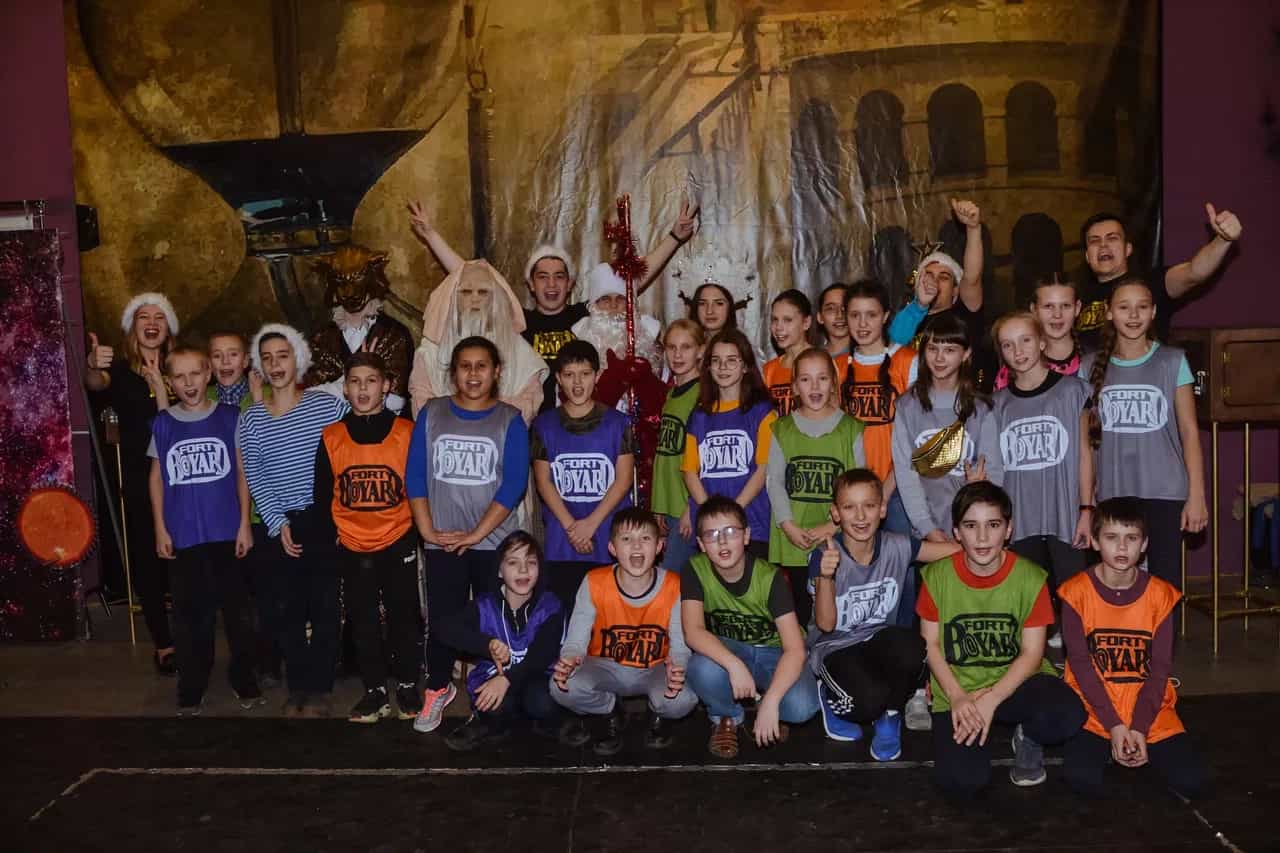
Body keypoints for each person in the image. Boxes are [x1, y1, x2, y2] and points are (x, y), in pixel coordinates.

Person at [408, 197, 699, 413]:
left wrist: (674, 237)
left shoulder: (585, 316)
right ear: (530, 284)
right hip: (534, 425)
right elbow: (472, 278)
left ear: (570, 284)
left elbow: (630, 281)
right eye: (543, 277)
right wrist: (431, 235)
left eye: (559, 277)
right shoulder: (519, 321)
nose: (551, 284)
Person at [917, 482, 1086, 796]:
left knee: (1066, 714)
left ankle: (1028, 736)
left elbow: (1032, 653)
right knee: (963, 782)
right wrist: (957, 696)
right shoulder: (937, 576)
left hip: (1013, 685)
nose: (982, 537)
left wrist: (991, 698)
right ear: (956, 532)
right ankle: (975, 724)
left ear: (1008, 530)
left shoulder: (1030, 577)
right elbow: (931, 645)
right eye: (971, 526)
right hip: (959, 689)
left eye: (993, 525)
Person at [407, 337, 530, 734]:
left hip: (492, 542)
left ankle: (495, 691)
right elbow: (416, 474)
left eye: (481, 366)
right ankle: (437, 688)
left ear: (496, 372)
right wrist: (426, 529)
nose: (473, 374)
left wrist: (476, 534)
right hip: (443, 540)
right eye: (465, 366)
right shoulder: (432, 413)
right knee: (443, 621)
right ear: (453, 372)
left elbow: (513, 484)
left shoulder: (510, 419)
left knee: (496, 622)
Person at [1059, 498, 1207, 799]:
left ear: (1145, 544)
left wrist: (1139, 727)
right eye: (1112, 537)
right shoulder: (1075, 593)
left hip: (1148, 709)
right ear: (1095, 542)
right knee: (1080, 779)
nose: (1122, 547)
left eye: (1131, 538)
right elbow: (1081, 667)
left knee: (1193, 781)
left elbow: (1160, 670)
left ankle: (1135, 743)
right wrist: (1114, 725)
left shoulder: (1161, 595)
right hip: (1094, 709)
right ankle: (1114, 744)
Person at [239, 324, 350, 717]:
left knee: (324, 608)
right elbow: (255, 474)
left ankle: (319, 688)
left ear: (298, 359)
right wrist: (276, 522)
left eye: (282, 356)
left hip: (323, 522)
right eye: (267, 358)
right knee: (286, 611)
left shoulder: (326, 406)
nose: (275, 365)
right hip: (279, 526)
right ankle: (298, 685)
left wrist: (342, 515)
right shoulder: (251, 419)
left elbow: (353, 446)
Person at [809, 469, 959, 755]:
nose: (860, 516)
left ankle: (890, 715)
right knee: (867, 704)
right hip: (835, 647)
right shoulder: (825, 554)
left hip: (876, 639)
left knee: (913, 648)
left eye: (868, 505)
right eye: (849, 507)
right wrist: (825, 577)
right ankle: (830, 696)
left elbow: (950, 551)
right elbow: (826, 624)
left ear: (882, 509)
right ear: (836, 514)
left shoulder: (897, 545)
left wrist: (981, 539)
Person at [147, 345, 258, 715]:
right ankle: (192, 686)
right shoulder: (163, 424)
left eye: (195, 373)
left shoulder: (230, 417)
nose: (188, 382)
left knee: (239, 615)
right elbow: (156, 479)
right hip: (184, 536)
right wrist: (160, 528)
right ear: (170, 382)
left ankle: (244, 679)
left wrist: (244, 524)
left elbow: (242, 472)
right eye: (179, 376)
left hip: (226, 532)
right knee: (191, 618)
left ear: (208, 373)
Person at [313, 352, 423, 724]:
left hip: (398, 536)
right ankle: (374, 690)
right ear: (345, 388)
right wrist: (331, 540)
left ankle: (407, 684)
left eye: (371, 381)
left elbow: (419, 489)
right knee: (362, 619)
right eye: (355, 381)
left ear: (386, 385)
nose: (363, 389)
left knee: (403, 614)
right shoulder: (332, 436)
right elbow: (323, 495)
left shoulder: (407, 432)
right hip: (352, 542)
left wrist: (416, 535)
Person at [1080, 276, 1208, 590]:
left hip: (1165, 492)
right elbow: (1086, 443)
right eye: (1124, 307)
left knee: (1164, 588)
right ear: (1109, 312)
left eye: (1142, 307)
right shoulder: (1088, 367)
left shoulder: (1173, 361)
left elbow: (1190, 432)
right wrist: (1086, 500)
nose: (1134, 315)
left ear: (1153, 312)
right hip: (1113, 492)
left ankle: (1165, 628)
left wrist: (1196, 496)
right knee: (1116, 585)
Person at [552, 508, 697, 755]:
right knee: (561, 685)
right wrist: (569, 659)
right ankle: (608, 710)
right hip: (604, 666)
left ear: (660, 546)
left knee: (683, 700)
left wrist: (677, 667)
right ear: (612, 548)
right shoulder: (594, 581)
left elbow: (679, 645)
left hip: (654, 668)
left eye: (645, 538)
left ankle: (657, 713)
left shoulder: (674, 585)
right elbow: (576, 640)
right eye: (627, 538)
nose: (636, 546)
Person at [684, 496, 820, 759]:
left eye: (731, 532)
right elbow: (693, 631)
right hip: (732, 649)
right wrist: (734, 665)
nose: (722, 542)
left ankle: (768, 704)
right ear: (700, 544)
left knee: (801, 706)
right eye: (712, 535)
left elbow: (794, 649)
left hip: (775, 652)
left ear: (746, 536)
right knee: (700, 667)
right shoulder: (694, 570)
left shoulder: (770, 577)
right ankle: (727, 717)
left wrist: (771, 702)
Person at [85, 292, 179, 674]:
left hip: (186, 477)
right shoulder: (121, 372)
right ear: (132, 327)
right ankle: (165, 644)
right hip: (141, 478)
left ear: (169, 327)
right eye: (144, 317)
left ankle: (191, 633)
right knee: (148, 561)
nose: (152, 322)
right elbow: (96, 383)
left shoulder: (182, 367)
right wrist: (92, 365)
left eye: (159, 316)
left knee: (187, 563)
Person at [992, 311, 1094, 648]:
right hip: (1021, 520)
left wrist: (1086, 509)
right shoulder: (997, 405)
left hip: (1064, 514)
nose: (1018, 351)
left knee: (1075, 600)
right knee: (1029, 607)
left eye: (1025, 340)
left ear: (1041, 342)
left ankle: (1080, 668)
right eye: (1008, 345)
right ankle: (1030, 670)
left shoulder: (1073, 391)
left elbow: (1084, 453)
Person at [532, 340, 637, 607]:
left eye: (585, 374)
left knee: (610, 612)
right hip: (562, 537)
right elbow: (543, 482)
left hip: (607, 534)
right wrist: (572, 528)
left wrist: (590, 524)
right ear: (558, 378)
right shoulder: (544, 425)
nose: (577, 383)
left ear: (597, 375)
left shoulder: (618, 423)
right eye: (569, 375)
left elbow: (623, 480)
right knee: (564, 612)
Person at [765, 347, 865, 628]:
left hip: (837, 534)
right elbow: (774, 481)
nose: (815, 386)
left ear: (833, 383)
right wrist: (787, 525)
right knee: (799, 608)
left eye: (822, 378)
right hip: (795, 535)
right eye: (806, 379)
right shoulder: (782, 428)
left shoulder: (851, 428)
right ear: (794, 386)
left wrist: (834, 526)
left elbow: (860, 486)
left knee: (836, 606)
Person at [438, 531, 565, 750]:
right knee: (494, 704)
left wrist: (506, 678)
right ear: (499, 570)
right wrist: (485, 644)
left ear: (540, 568)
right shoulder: (485, 605)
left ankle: (549, 723)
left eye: (531, 562)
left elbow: (541, 656)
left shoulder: (550, 605)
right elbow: (445, 629)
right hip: (494, 678)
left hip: (535, 677)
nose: (523, 570)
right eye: (513, 562)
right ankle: (491, 723)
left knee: (542, 701)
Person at [891, 313, 1003, 543]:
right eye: (933, 349)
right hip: (925, 531)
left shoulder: (981, 409)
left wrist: (979, 496)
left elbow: (993, 472)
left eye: (950, 350)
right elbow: (906, 474)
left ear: (966, 354)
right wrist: (927, 528)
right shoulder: (906, 406)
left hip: (973, 530)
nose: (939, 358)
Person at [1075, 205, 1242, 344]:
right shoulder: (1075, 298)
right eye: (1095, 241)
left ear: (1128, 249)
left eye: (1112, 238)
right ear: (1087, 256)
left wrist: (1223, 240)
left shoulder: (1151, 283)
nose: (1103, 245)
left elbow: (1194, 272)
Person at [408, 259, 548, 424]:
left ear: (495, 298)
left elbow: (527, 405)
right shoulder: (431, 350)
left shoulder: (520, 350)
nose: (475, 299)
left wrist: (475, 410)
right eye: (466, 292)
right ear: (453, 297)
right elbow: (421, 405)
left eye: (483, 292)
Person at [682, 329, 775, 562]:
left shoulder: (763, 412)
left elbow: (763, 469)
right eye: (716, 361)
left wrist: (732, 514)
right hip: (709, 529)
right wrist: (711, 515)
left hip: (751, 522)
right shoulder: (699, 415)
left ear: (745, 366)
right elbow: (690, 471)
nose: (723, 367)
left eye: (731, 360)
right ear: (708, 367)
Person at [839, 280, 918, 534]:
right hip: (850, 490)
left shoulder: (908, 361)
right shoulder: (836, 367)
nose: (862, 324)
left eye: (871, 315)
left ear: (884, 316)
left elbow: (917, 437)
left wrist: (886, 488)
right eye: (855, 315)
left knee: (900, 555)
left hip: (899, 488)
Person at [303, 245, 415, 413]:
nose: (349, 291)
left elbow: (396, 400)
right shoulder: (321, 339)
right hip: (336, 427)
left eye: (357, 279)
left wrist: (339, 388)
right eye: (341, 281)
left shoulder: (394, 335)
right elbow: (312, 399)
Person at [886, 199, 984, 349]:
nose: (935, 281)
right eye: (929, 275)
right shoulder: (908, 318)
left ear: (956, 290)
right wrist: (919, 306)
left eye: (944, 277)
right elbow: (894, 347)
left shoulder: (963, 317)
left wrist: (973, 228)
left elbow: (972, 278)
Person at [651, 319, 706, 573]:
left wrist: (692, 507)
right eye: (671, 347)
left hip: (688, 504)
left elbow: (705, 458)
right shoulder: (671, 394)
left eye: (686, 347)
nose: (678, 354)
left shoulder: (702, 395)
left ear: (700, 351)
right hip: (670, 503)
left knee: (671, 577)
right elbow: (665, 456)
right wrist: (659, 506)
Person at [993, 274, 1082, 391]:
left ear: (1077, 308)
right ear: (1034, 309)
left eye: (1065, 306)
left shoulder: (1095, 359)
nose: (1057, 315)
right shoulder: (1015, 369)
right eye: (1048, 306)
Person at [761, 289, 820, 416]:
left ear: (806, 323)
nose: (778, 327)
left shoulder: (825, 363)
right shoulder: (769, 370)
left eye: (787, 320)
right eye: (775, 319)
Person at [207, 330, 264, 407]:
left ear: (245, 361)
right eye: (217, 356)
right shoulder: (200, 397)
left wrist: (258, 398)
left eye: (233, 354)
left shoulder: (268, 394)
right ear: (210, 364)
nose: (225, 361)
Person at [816, 283, 851, 361]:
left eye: (845, 307)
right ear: (820, 317)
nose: (839, 315)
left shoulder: (865, 354)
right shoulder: (813, 358)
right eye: (831, 308)